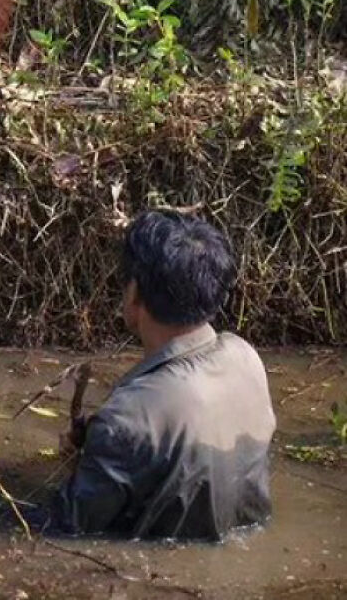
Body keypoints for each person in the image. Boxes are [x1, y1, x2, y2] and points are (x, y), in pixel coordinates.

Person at [53, 210, 276, 541]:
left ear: (134, 293)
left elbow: (70, 526)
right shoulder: (245, 356)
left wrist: (70, 469)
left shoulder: (128, 416)